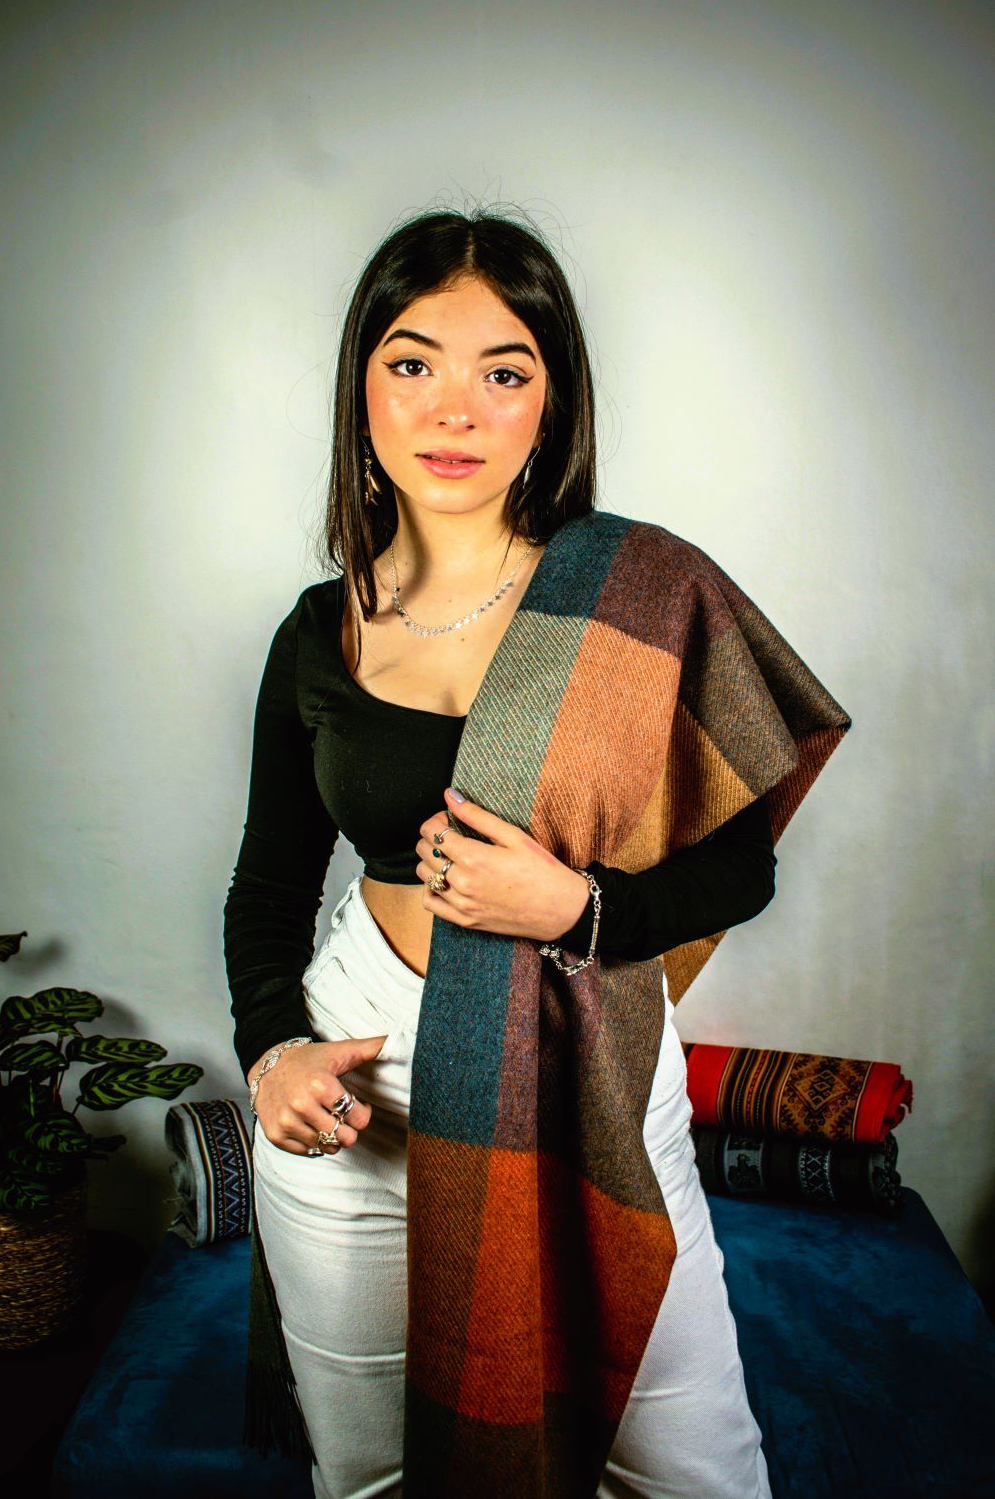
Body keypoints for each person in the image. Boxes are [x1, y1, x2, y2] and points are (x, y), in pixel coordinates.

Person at [225, 209, 790, 1498]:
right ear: (362, 388)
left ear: (553, 401)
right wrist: (271, 1049)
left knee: (691, 1470)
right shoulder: (319, 630)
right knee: (372, 1474)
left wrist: (575, 906)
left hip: (586, 1051)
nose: (455, 410)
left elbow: (743, 866)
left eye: (505, 371)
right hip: (362, 1068)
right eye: (413, 362)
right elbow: (269, 882)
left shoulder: (635, 594)